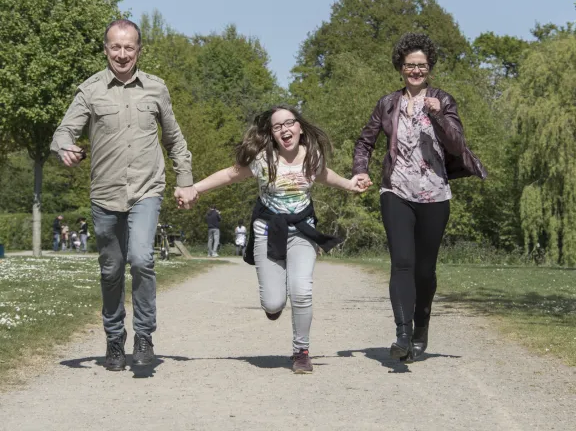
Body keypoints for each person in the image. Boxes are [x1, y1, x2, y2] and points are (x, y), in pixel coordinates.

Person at [51, 19, 198, 372]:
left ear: (139, 50)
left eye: (128, 47)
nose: (121, 54)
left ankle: (144, 336)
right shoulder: (90, 91)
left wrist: (185, 180)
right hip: (105, 193)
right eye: (115, 47)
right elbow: (63, 132)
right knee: (111, 269)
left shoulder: (156, 88)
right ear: (105, 49)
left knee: (142, 258)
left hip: (147, 189)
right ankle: (114, 338)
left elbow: (174, 139)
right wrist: (65, 147)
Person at [176, 105, 367, 373]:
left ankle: (301, 352)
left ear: (299, 127)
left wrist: (349, 184)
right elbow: (230, 174)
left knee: (301, 291)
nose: (284, 130)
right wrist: (194, 189)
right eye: (277, 127)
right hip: (267, 230)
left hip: (302, 229)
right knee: (273, 302)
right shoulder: (262, 159)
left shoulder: (312, 155)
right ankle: (274, 301)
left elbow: (324, 175)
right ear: (272, 134)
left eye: (289, 123)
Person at [352, 33, 486, 361]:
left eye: (421, 66)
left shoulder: (444, 100)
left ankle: (420, 328)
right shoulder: (387, 103)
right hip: (395, 191)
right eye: (410, 65)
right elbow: (365, 141)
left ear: (429, 68)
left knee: (424, 271)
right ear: (400, 67)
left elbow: (457, 145)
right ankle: (402, 334)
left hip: (435, 195)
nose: (415, 71)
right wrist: (361, 170)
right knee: (402, 263)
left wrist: (438, 114)